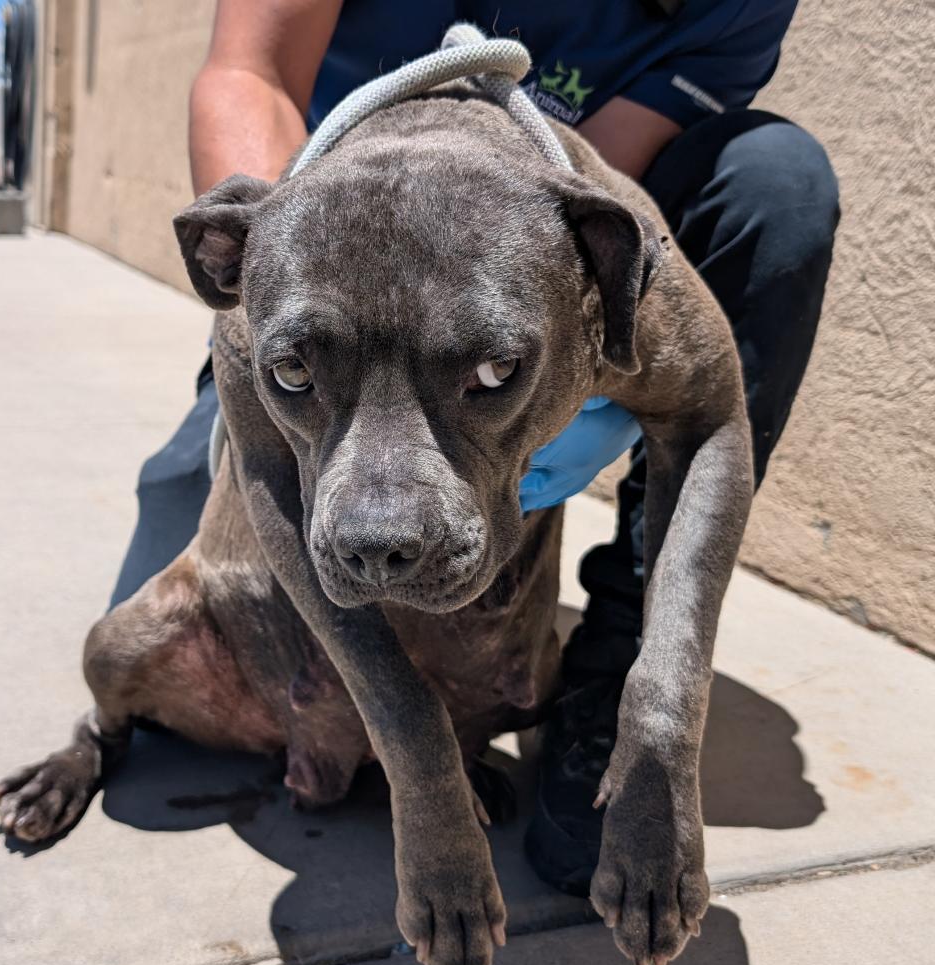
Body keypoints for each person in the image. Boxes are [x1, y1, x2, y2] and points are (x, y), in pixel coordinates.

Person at [110, 0, 840, 896]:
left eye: (495, 371)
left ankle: (605, 679)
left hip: (488, 245)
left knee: (778, 176)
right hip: (321, 249)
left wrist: (665, 719)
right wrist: (282, 289)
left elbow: (601, 201)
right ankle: (360, 372)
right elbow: (246, 71)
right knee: (137, 656)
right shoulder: (270, 297)